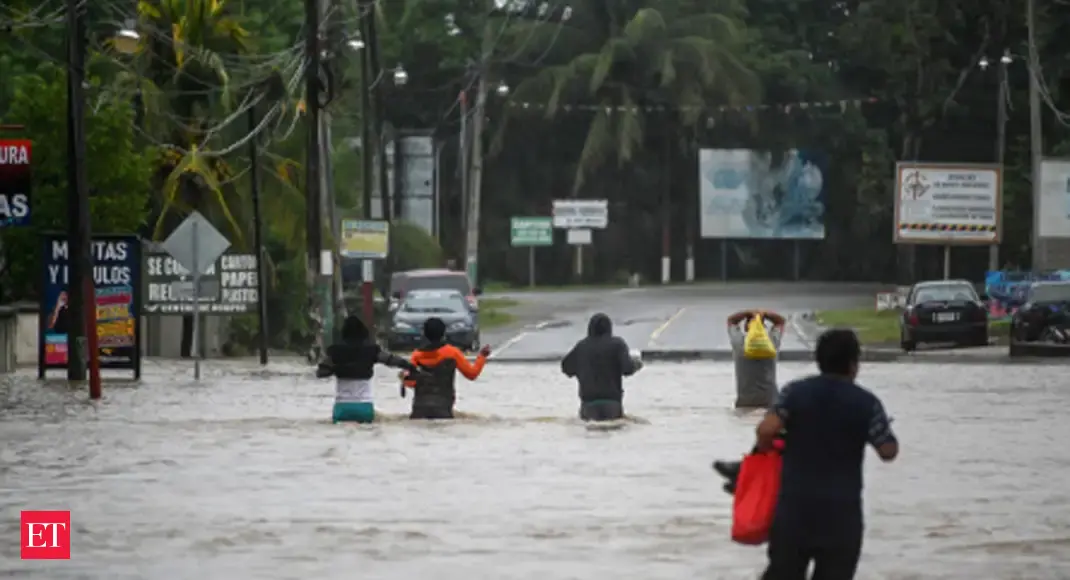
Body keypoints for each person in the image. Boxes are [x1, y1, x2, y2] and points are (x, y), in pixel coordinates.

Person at [739, 329, 899, 579]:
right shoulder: (867, 403)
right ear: (853, 364)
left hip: (794, 512)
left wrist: (771, 451)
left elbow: (766, 430)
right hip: (841, 518)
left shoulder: (794, 392)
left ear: (819, 360)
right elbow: (888, 451)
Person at [316, 315, 420, 423]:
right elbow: (392, 360)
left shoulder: (335, 352)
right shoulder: (371, 351)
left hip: (341, 409)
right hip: (365, 409)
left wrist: (338, 368)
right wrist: (411, 367)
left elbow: (321, 373)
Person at [402, 317, 491, 419]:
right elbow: (472, 374)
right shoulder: (452, 353)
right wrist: (482, 356)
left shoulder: (416, 355)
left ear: (424, 334)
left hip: (419, 410)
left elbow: (410, 383)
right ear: (444, 333)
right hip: (443, 410)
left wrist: (402, 377)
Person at [560, 313, 643, 421]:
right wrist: (637, 364)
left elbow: (566, 368)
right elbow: (628, 369)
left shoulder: (582, 347)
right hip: (612, 405)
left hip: (588, 406)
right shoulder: (617, 344)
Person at [727, 309, 787, 409]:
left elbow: (731, 321)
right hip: (770, 402)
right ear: (763, 328)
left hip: (745, 403)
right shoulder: (772, 345)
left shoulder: (740, 346)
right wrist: (765, 314)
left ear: (747, 327)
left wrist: (748, 313)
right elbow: (780, 321)